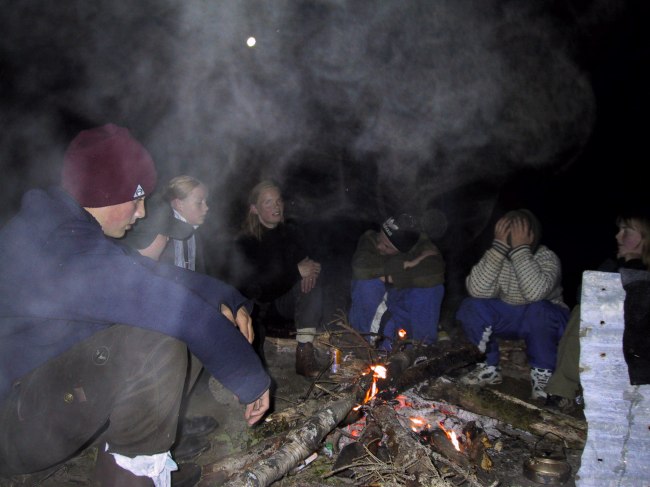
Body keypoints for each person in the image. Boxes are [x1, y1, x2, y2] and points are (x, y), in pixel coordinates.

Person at [0, 124, 270, 486]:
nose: (141, 213)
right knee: (158, 341)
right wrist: (250, 378)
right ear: (104, 193)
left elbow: (154, 276)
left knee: (169, 328)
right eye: (136, 198)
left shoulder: (67, 229)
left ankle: (128, 463)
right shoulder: (64, 249)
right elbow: (177, 310)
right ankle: (131, 477)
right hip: (14, 424)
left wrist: (228, 298)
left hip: (35, 400)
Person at [456, 208, 569, 400]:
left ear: (531, 234)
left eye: (518, 231)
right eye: (506, 231)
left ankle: (543, 374)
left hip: (547, 320)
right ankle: (487, 366)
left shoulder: (546, 257)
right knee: (471, 305)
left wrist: (521, 250)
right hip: (512, 318)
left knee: (539, 309)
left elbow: (535, 293)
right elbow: (476, 290)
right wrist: (498, 247)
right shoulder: (498, 257)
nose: (511, 236)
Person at [545, 211, 650, 412]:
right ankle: (562, 391)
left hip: (637, 358)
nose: (618, 236)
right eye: (619, 230)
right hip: (606, 342)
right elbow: (583, 296)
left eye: (626, 231)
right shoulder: (610, 267)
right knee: (581, 312)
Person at [235, 180, 323, 378]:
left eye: (278, 201)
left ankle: (304, 351)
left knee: (312, 285)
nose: (276, 206)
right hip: (258, 308)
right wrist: (296, 272)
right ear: (254, 209)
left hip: (286, 303)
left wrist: (312, 270)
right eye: (268, 202)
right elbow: (256, 290)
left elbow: (308, 261)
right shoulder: (245, 242)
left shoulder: (290, 232)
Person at [348, 213, 446, 351]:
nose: (380, 246)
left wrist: (390, 277)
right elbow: (361, 267)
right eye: (380, 238)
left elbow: (434, 272)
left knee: (431, 288)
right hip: (374, 305)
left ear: (402, 250)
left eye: (387, 246)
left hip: (401, 301)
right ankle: (368, 345)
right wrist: (408, 264)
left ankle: (422, 349)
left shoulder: (422, 245)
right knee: (367, 282)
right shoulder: (369, 238)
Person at [162, 175, 209, 272]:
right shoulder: (162, 235)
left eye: (206, 202)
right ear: (180, 204)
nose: (206, 208)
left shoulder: (197, 232)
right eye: (199, 202)